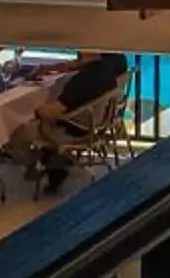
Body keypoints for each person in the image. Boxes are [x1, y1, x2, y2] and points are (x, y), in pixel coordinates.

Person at [27, 49, 128, 193]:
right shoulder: (108, 68)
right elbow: (75, 65)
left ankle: (50, 163)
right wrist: (51, 69)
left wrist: (30, 108)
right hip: (95, 122)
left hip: (74, 127)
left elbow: (53, 113)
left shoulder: (82, 81)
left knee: (21, 131)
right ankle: (53, 159)